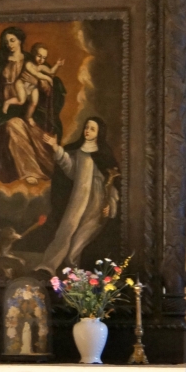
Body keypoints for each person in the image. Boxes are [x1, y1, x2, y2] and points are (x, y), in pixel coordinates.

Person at [0, 27, 64, 185]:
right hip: (2, 111)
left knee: (37, 132)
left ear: (21, 41)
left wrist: (44, 84)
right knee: (14, 124)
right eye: (6, 41)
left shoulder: (31, 60)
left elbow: (49, 82)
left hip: (27, 110)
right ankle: (29, 170)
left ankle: (49, 167)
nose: (9, 44)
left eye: (12, 40)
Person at [37, 116, 121, 274]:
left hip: (96, 203)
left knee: (81, 238)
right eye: (86, 127)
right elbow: (71, 170)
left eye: (92, 129)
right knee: (66, 229)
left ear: (99, 133)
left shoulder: (104, 155)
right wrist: (55, 147)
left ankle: (74, 270)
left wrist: (110, 205)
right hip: (78, 199)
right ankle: (48, 267)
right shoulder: (80, 152)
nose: (87, 131)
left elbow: (113, 185)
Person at [2, 43, 64, 122]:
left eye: (44, 58)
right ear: (34, 54)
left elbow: (51, 72)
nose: (41, 60)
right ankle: (7, 102)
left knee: (34, 102)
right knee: (21, 101)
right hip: (22, 84)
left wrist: (57, 65)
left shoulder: (41, 66)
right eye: (39, 56)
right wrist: (48, 78)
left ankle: (28, 117)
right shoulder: (29, 64)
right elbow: (36, 74)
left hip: (32, 86)